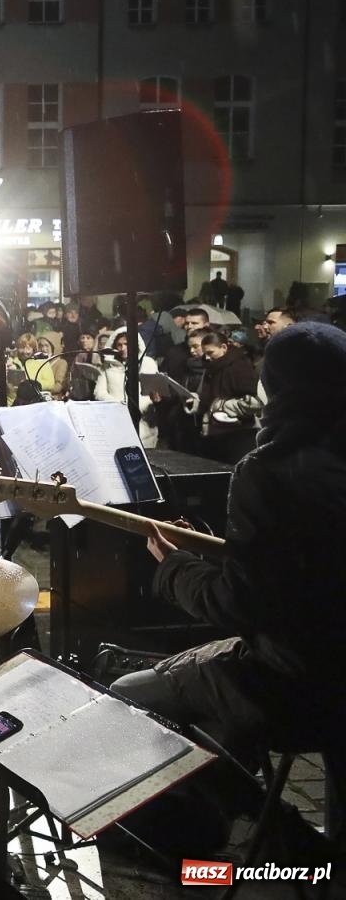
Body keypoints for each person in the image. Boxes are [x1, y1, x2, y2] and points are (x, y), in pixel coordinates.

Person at [112, 322, 346, 839]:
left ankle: (270, 829)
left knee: (126, 696)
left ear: (280, 388)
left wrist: (172, 567)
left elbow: (240, 603)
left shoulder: (268, 469)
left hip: (296, 681)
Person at [195, 329, 259, 464]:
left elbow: (254, 402)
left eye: (210, 353)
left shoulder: (240, 367)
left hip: (238, 434)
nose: (207, 358)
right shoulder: (211, 368)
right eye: (205, 353)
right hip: (215, 433)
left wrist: (223, 405)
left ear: (224, 347)